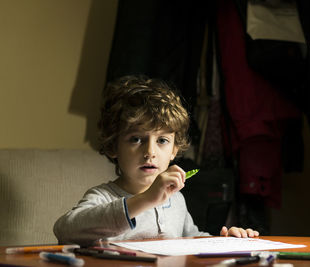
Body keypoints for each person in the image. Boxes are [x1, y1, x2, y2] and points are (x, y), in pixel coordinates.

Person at [53, 75, 259, 245]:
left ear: (174, 150)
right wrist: (145, 199)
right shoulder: (103, 197)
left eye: (162, 140)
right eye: (136, 139)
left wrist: (225, 242)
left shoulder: (176, 199)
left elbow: (191, 239)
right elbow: (65, 229)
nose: (150, 151)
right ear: (112, 147)